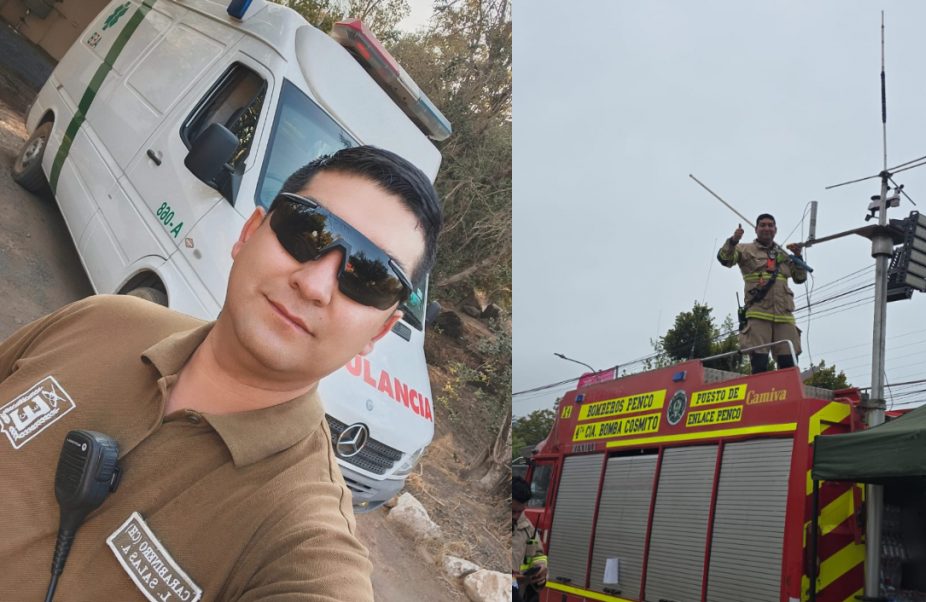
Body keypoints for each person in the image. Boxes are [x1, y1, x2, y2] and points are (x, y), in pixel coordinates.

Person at [0, 146, 441, 601]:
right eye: (305, 230)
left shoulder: (304, 540)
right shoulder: (99, 320)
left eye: (369, 278)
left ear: (381, 330)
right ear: (249, 232)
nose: (313, 285)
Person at [717, 213, 808, 373]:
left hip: (784, 315)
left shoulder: (784, 254)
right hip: (758, 314)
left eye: (770, 225)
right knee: (759, 363)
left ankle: (786, 396)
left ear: (775, 230)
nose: (767, 228)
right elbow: (725, 259)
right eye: (763, 225)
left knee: (789, 363)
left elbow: (800, 278)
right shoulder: (744, 249)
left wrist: (798, 256)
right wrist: (733, 241)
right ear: (756, 229)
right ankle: (760, 395)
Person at [512, 475, 549, 602]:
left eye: (520, 511)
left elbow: (538, 554)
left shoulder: (527, 527)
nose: (517, 516)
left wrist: (541, 569)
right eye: (512, 511)